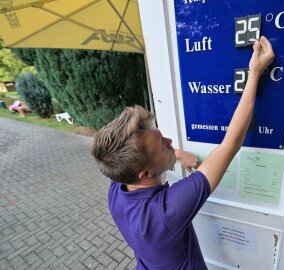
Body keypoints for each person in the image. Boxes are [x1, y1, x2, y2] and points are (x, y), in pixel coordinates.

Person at [91, 36, 274, 269]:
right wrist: (255, 72)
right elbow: (230, 144)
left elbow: (144, 161)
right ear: (145, 173)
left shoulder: (117, 186)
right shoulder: (164, 213)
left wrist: (176, 154)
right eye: (163, 146)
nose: (170, 141)